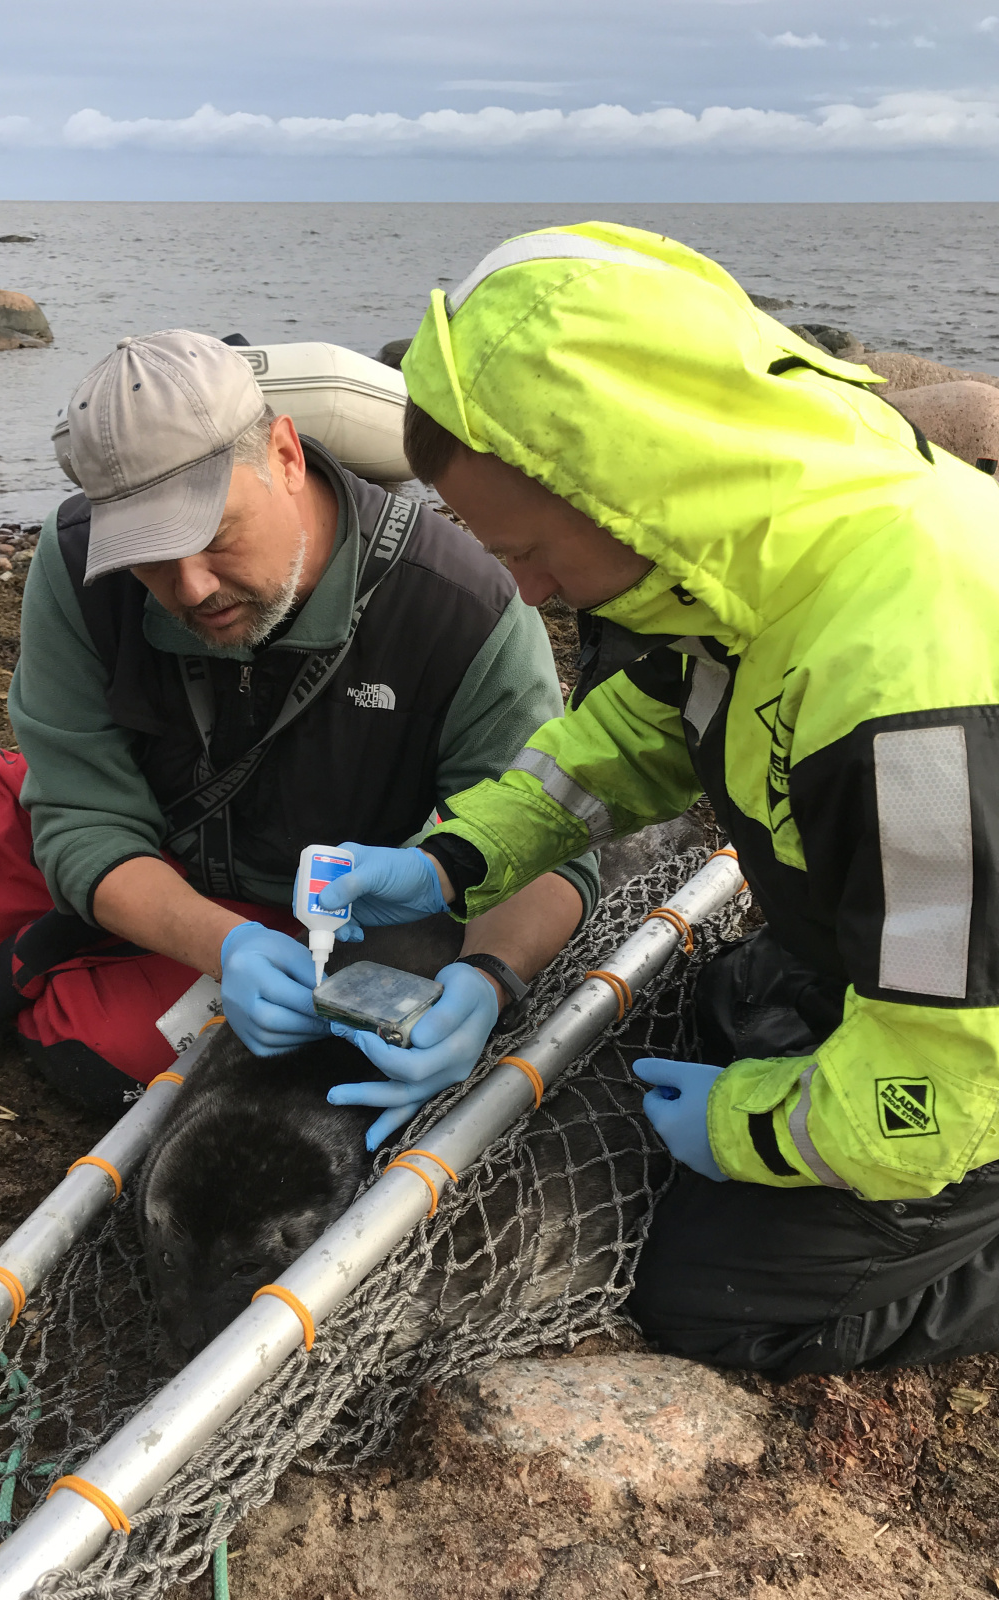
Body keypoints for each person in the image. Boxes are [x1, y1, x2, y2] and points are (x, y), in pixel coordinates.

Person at [311, 222, 999, 1377]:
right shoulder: (766, 547)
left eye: (532, 550)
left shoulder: (912, 716)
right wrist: (449, 860)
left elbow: (940, 1076)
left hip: (975, 1025)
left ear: (631, 481)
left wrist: (749, 1128)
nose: (524, 589)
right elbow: (639, 733)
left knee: (706, 1295)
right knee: (728, 1010)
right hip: (929, 950)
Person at [0, 330, 596, 1138]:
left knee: (95, 1054)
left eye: (215, 534)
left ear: (285, 454)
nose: (190, 586)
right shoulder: (77, 564)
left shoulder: (459, 607)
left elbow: (546, 839)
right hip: (83, 832)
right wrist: (222, 946)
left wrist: (489, 978)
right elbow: (80, 817)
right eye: (148, 555)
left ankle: (63, 945)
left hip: (276, 906)